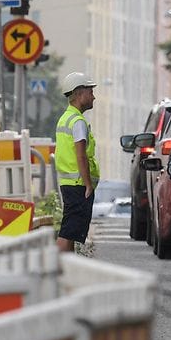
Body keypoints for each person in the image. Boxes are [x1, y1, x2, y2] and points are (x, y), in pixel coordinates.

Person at [55, 72, 100, 253]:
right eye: (90, 92)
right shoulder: (78, 122)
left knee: (70, 230)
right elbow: (80, 155)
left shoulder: (66, 118)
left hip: (69, 182)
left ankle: (67, 269)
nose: (93, 97)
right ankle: (58, 269)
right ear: (79, 93)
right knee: (68, 231)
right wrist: (88, 184)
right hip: (78, 184)